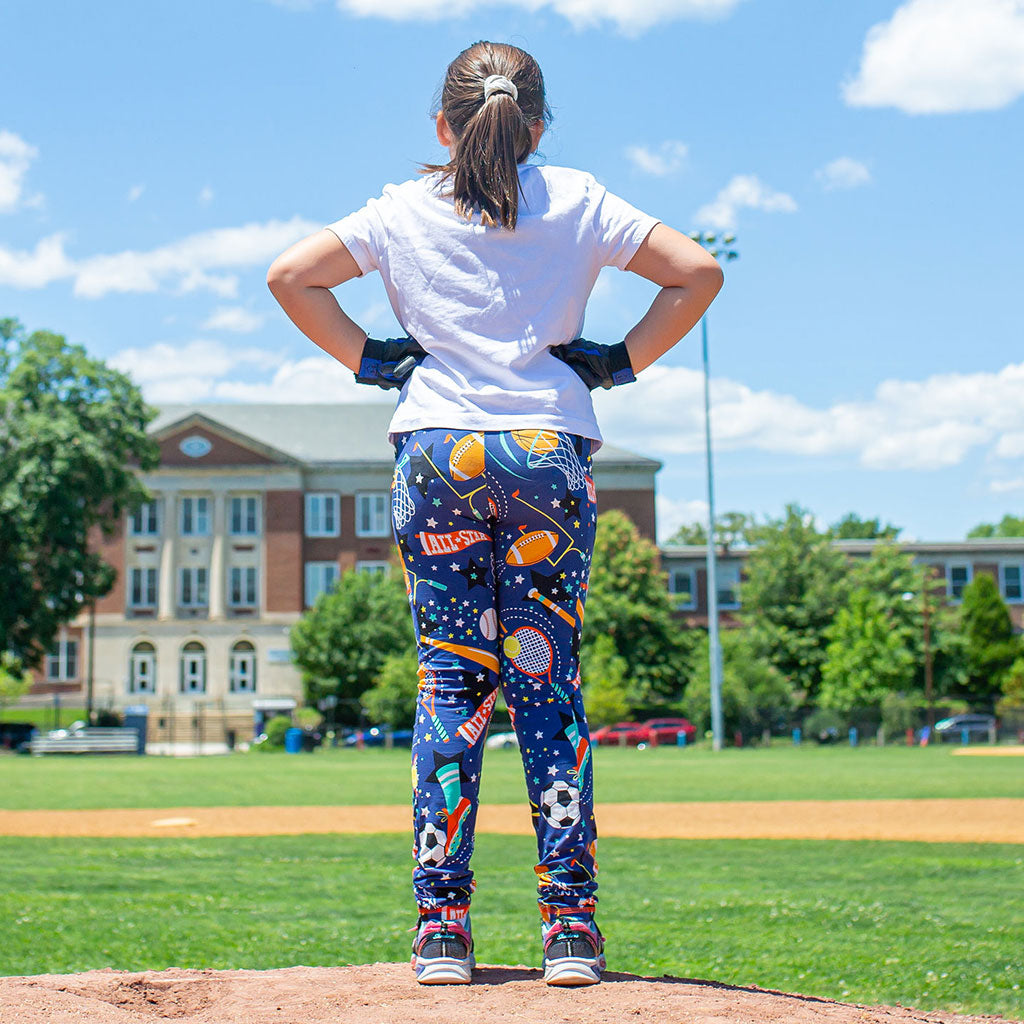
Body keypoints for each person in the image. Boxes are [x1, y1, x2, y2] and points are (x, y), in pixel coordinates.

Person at [267, 40, 723, 987]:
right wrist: (618, 362)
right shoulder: (580, 198)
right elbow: (696, 273)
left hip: (438, 452)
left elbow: (291, 276)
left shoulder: (400, 209)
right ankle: (570, 930)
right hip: (546, 451)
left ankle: (442, 929)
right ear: (539, 126)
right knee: (547, 690)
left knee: (451, 687)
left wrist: (369, 359)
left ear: (442, 125)